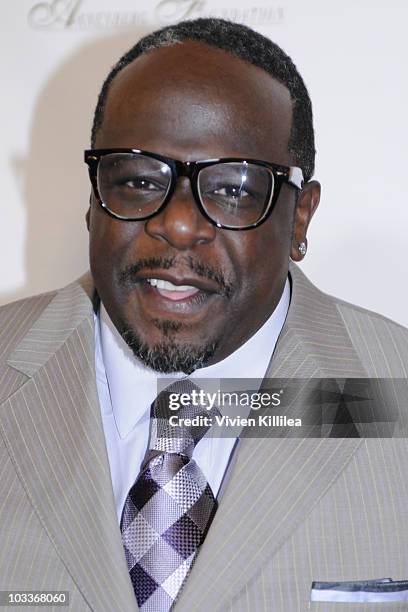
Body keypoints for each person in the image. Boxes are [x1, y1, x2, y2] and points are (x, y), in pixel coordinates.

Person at [1, 17, 408, 612]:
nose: (179, 225)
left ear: (300, 219)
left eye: (234, 189)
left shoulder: (393, 390)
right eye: (139, 179)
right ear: (93, 199)